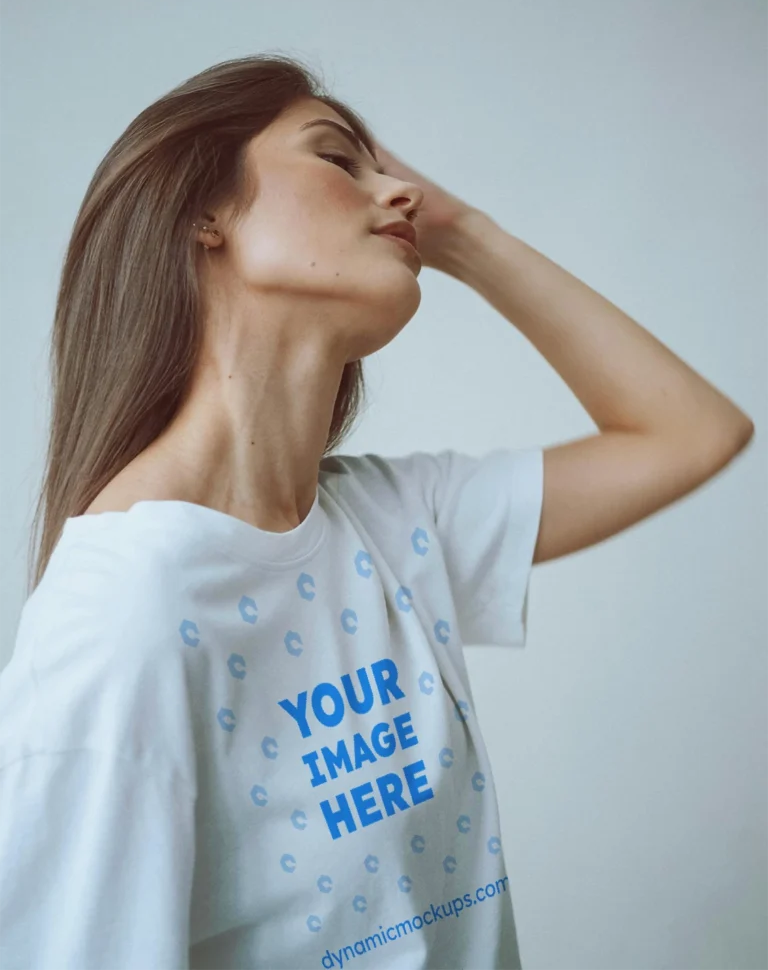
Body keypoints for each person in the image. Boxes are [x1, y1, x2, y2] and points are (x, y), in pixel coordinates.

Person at [0, 53, 753, 970]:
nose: (397, 191)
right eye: (337, 160)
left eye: (387, 171)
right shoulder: (120, 613)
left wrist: (465, 234)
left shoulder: (394, 521)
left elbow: (692, 432)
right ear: (204, 213)